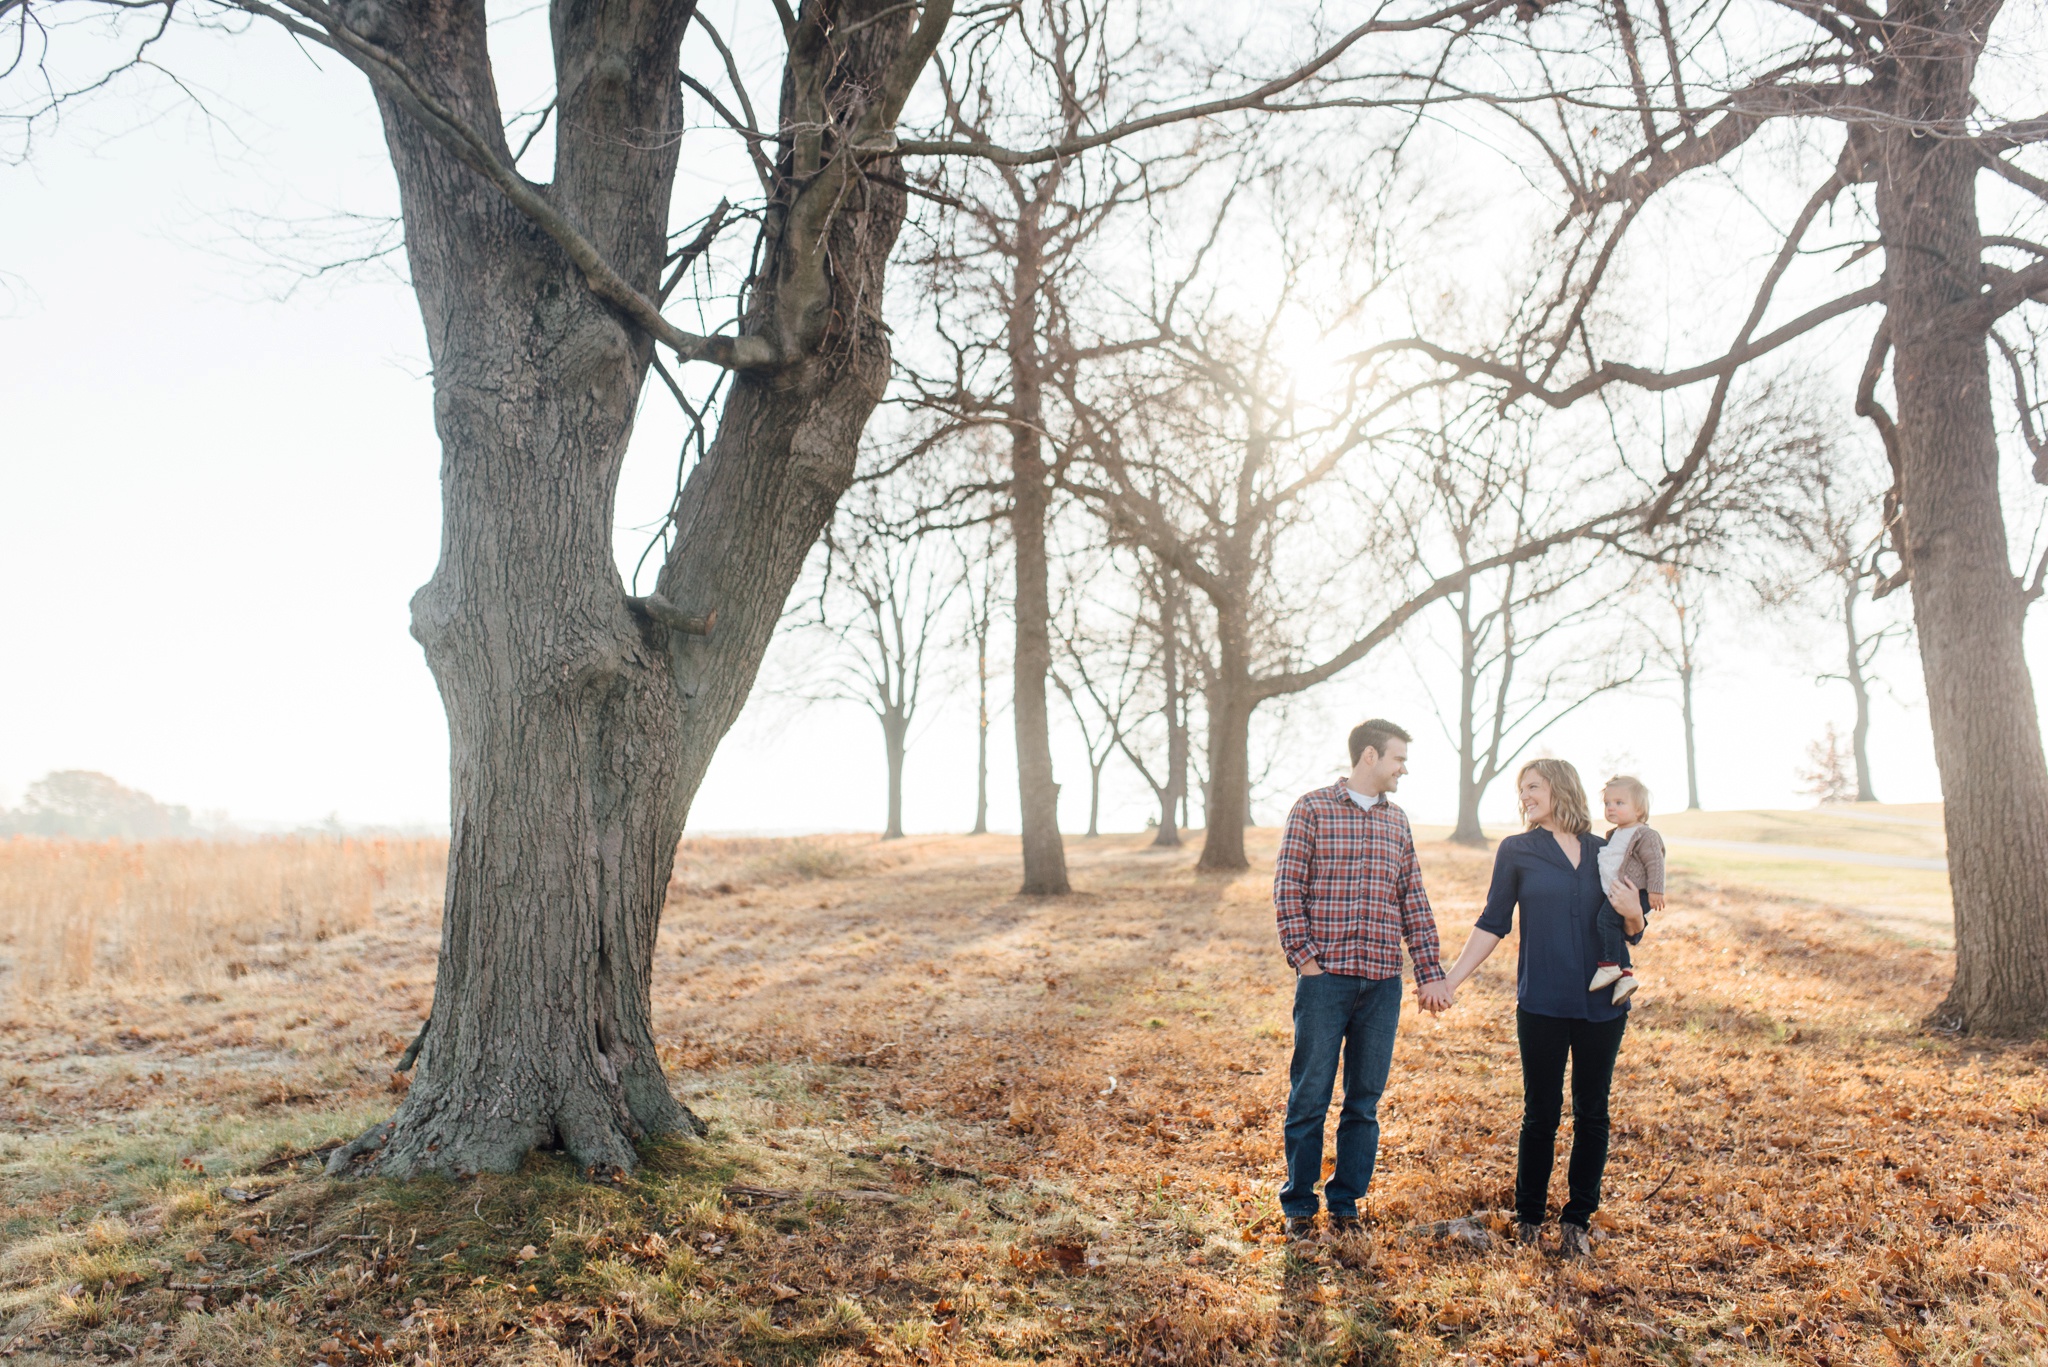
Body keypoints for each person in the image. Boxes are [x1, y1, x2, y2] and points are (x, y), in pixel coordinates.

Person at [1434, 758, 1644, 1258]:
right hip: (1543, 1002)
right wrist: (1451, 979)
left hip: (1603, 1004)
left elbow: (1631, 926)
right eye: (1521, 789)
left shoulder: (1608, 850)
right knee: (1541, 1114)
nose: (1524, 795)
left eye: (1532, 786)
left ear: (1560, 787)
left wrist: (1636, 914)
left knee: (1593, 1113)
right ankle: (1528, 1220)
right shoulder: (1518, 851)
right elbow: (1492, 923)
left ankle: (1577, 1223)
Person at [1272, 719, 1453, 1240]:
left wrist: (1428, 971)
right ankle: (1300, 1207)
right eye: (1398, 758)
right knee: (1310, 1093)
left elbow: (1412, 900)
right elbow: (1288, 886)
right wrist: (1305, 958)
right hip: (1325, 980)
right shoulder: (1312, 808)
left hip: (1381, 982)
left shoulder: (1398, 823)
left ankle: (1346, 1203)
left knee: (1364, 1100)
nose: (1404, 768)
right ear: (1370, 756)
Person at [1590, 775, 1666, 1004]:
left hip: (1637, 892)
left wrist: (1655, 891)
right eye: (1607, 803)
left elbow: (1655, 862)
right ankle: (1625, 976)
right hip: (1616, 892)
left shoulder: (1644, 834)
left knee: (1605, 921)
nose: (1611, 807)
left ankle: (1609, 966)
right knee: (1613, 929)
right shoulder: (1614, 835)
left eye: (1619, 803)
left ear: (1639, 809)